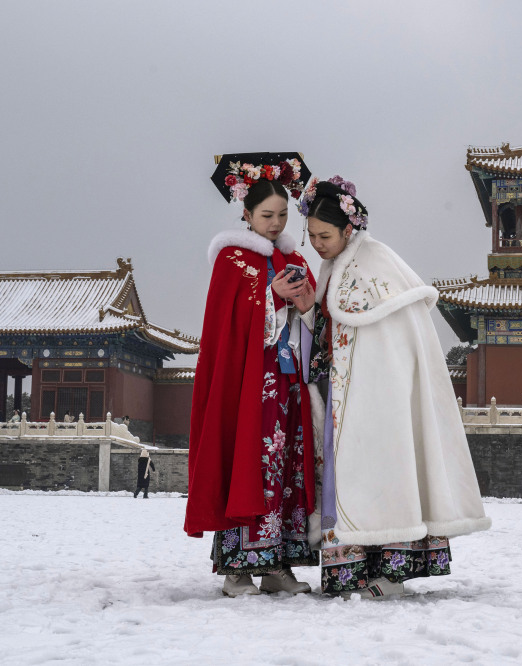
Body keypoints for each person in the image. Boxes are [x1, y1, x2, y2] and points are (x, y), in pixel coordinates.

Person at [300, 176, 491, 599]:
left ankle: (392, 572)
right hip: (343, 395)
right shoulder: (334, 268)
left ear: (348, 229)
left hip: (380, 396)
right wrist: (307, 309)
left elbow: (396, 340)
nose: (317, 244)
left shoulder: (376, 265)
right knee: (345, 479)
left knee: (389, 471)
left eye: (324, 235)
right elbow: (334, 327)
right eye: (311, 236)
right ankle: (348, 571)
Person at [185, 152, 318, 598]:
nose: (276, 223)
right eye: (266, 215)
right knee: (249, 465)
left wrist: (304, 306)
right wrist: (270, 297)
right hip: (249, 388)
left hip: (287, 384)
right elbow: (226, 328)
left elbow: (314, 318)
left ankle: (278, 566)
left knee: (287, 470)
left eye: (282, 214)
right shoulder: (232, 261)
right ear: (245, 213)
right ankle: (239, 568)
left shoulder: (294, 257)